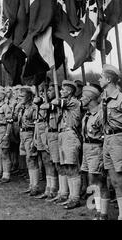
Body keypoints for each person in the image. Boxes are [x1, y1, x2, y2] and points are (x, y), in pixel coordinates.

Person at [99, 64, 122, 220]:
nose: (99, 80)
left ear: (108, 79)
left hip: (119, 139)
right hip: (107, 139)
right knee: (114, 180)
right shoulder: (104, 99)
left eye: (101, 77)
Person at [79, 84, 109, 220]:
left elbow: (106, 134)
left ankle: (103, 213)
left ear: (90, 98)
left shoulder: (100, 114)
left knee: (99, 181)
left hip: (97, 148)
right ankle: (97, 210)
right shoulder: (87, 114)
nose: (81, 99)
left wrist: (104, 155)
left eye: (84, 96)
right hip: (87, 148)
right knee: (92, 181)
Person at [52, 80, 82, 209]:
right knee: (66, 167)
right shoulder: (66, 104)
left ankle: (75, 198)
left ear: (70, 91)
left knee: (72, 167)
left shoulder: (74, 102)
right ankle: (70, 196)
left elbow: (56, 102)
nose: (60, 92)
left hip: (71, 134)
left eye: (63, 90)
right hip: (62, 134)